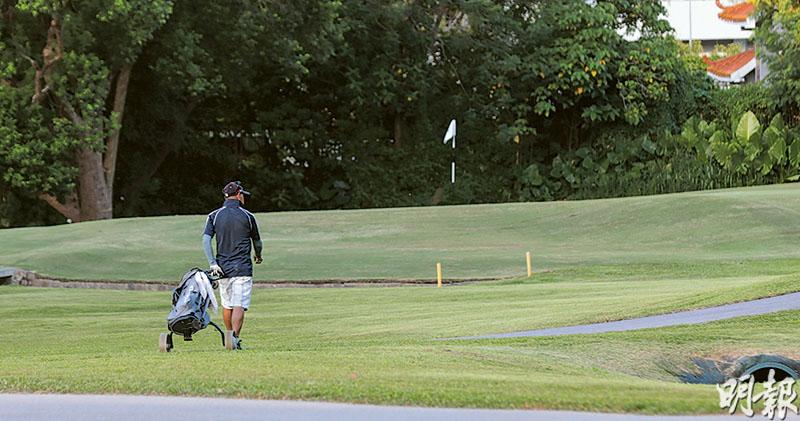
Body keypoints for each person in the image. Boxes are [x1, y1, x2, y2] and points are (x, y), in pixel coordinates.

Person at [202, 181, 262, 350]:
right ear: (238, 194)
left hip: (222, 268)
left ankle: (229, 337)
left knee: (227, 304)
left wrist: (212, 263)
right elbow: (257, 242)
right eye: (242, 195)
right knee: (239, 304)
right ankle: (234, 338)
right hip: (242, 267)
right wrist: (258, 255)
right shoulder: (248, 216)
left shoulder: (214, 216)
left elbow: (206, 240)